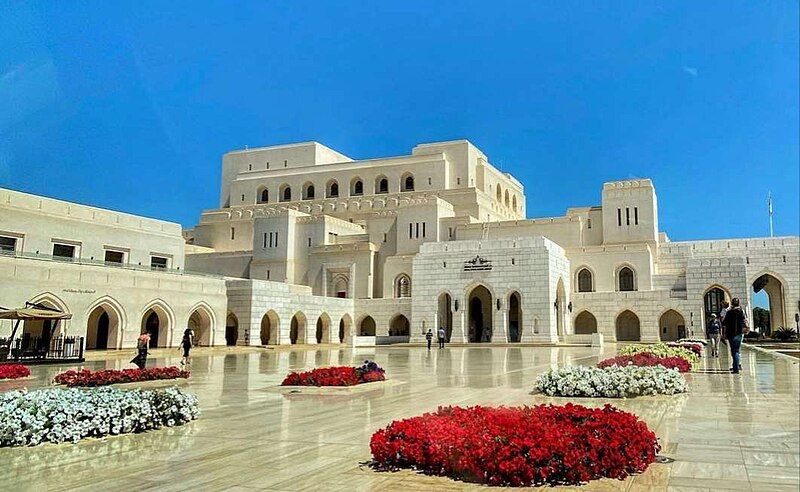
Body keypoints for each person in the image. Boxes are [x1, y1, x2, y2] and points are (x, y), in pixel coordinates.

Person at [722, 297, 748, 374]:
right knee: (737, 350)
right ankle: (736, 366)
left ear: (732, 304)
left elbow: (724, 323)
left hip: (731, 334)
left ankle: (735, 368)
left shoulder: (729, 312)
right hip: (739, 334)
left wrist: (724, 333)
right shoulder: (741, 311)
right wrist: (747, 328)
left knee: (734, 351)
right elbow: (745, 321)